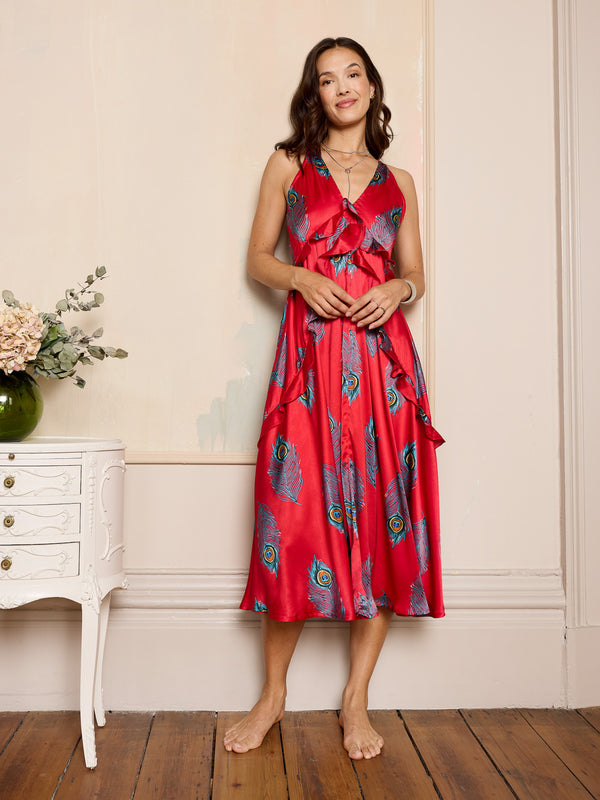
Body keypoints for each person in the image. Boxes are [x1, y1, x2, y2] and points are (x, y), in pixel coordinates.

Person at [225, 36, 445, 761]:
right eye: (327, 79)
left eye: (353, 74)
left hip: (382, 374)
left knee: (381, 526)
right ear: (314, 95)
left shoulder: (400, 181)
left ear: (373, 88)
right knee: (290, 527)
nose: (342, 87)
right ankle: (273, 696)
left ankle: (356, 699)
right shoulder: (287, 165)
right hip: (308, 370)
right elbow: (258, 258)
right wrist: (298, 279)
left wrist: (396, 288)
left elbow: (416, 271)